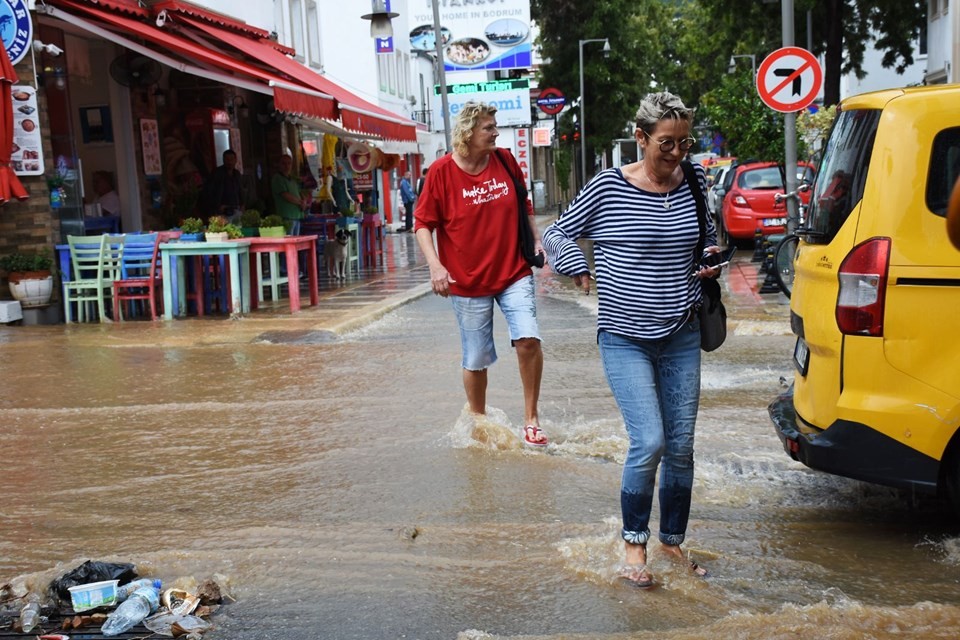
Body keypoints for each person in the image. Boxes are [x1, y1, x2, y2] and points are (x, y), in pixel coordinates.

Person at [542, 91, 722, 588]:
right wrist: (577, 265)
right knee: (650, 441)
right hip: (625, 335)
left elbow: (705, 235)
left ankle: (673, 540)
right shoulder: (607, 187)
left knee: (682, 447)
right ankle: (634, 543)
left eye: (684, 143)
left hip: (682, 331)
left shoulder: (697, 180)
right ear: (640, 138)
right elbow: (556, 235)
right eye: (667, 143)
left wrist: (710, 258)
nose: (677, 153)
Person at [414, 101, 548, 448]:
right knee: (476, 358)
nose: (495, 133)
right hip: (467, 279)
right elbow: (422, 224)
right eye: (489, 127)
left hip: (513, 269)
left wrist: (536, 240)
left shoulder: (505, 160)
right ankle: (478, 420)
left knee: (528, 339)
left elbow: (524, 204)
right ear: (468, 132)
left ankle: (531, 419)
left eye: (495, 126)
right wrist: (435, 265)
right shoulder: (442, 172)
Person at [201, 149, 244, 222]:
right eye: (227, 159)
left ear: (235, 160)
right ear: (223, 160)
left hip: (236, 208)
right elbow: (210, 191)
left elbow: (240, 190)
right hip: (222, 210)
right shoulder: (217, 173)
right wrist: (217, 206)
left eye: (231, 159)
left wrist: (242, 204)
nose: (229, 162)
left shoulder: (237, 174)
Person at [272, 152, 307, 235]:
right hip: (286, 216)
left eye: (289, 163)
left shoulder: (292, 179)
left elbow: (300, 192)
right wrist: (300, 202)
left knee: (296, 243)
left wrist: (304, 202)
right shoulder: (277, 178)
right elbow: (285, 195)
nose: (286, 166)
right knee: (289, 241)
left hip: (297, 215)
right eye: (283, 163)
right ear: (279, 165)